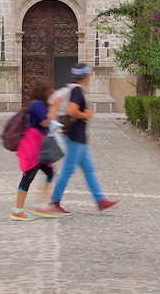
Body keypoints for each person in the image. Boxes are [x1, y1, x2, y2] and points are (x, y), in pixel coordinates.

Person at [37, 63, 118, 215]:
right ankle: (54, 201)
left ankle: (100, 200)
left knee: (88, 169)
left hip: (78, 136)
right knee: (68, 170)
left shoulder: (73, 88)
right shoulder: (77, 91)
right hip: (75, 136)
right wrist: (86, 114)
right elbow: (72, 111)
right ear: (86, 75)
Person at [11, 78, 58, 221]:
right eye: (49, 90)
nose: (51, 93)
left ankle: (42, 205)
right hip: (33, 147)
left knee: (50, 173)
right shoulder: (36, 104)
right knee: (28, 177)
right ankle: (18, 211)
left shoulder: (39, 104)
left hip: (40, 146)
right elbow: (44, 121)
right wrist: (55, 108)